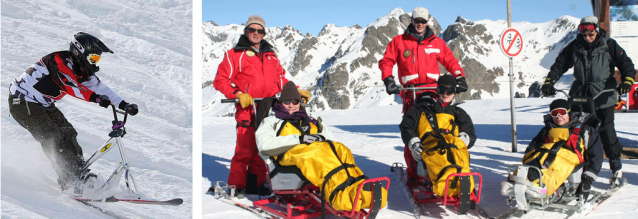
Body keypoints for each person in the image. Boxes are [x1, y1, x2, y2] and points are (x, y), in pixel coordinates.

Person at [8, 32, 139, 193]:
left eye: (97, 59)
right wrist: (95, 98)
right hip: (22, 101)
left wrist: (124, 105)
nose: (94, 62)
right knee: (51, 136)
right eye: (92, 58)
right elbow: (70, 86)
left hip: (42, 103)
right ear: (78, 52)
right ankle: (69, 180)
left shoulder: (82, 69)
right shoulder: (60, 61)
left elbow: (100, 88)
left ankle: (80, 174)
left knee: (68, 133)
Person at [213, 15, 311, 198]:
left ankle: (255, 185)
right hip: (247, 108)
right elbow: (220, 80)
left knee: (263, 147)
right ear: (246, 31)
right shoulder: (235, 55)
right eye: (252, 30)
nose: (256, 33)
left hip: (268, 108)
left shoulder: (270, 55)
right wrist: (237, 94)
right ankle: (237, 186)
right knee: (245, 149)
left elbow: (280, 79)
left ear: (264, 33)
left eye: (259, 31)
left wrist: (295, 91)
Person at [255, 81, 387, 212]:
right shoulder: (272, 121)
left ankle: (359, 187)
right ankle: (341, 197)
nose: (291, 105)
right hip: (287, 155)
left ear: (300, 102)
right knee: (319, 155)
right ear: (280, 102)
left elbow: (331, 140)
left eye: (295, 102)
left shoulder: (310, 119)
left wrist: (321, 138)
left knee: (340, 149)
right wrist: (299, 139)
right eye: (287, 101)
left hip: (313, 151)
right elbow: (264, 145)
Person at [541, 15, 635, 186]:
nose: (587, 37)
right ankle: (574, 167)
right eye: (584, 34)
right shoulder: (575, 46)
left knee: (606, 132)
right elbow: (560, 64)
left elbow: (626, 63)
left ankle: (616, 169)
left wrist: (627, 81)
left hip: (603, 95)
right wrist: (550, 81)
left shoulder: (609, 45)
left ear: (596, 31)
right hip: (580, 95)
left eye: (590, 34)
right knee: (577, 132)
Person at [379, 7, 468, 113]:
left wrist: (459, 77)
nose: (420, 24)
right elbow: (387, 61)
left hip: (434, 93)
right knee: (410, 126)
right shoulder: (399, 41)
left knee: (437, 124)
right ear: (412, 20)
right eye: (417, 21)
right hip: (411, 94)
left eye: (423, 21)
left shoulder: (437, 43)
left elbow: (450, 61)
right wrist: (388, 79)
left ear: (427, 21)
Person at [399, 74, 476, 185]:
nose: (445, 94)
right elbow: (406, 126)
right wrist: (414, 143)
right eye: (442, 90)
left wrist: (464, 139)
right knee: (438, 158)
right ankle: (446, 183)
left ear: (454, 93)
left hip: (454, 147)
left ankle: (462, 183)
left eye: (449, 91)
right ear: (437, 90)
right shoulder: (422, 108)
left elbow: (470, 133)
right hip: (430, 146)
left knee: (460, 156)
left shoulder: (459, 113)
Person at [525, 99, 604, 199]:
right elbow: (532, 147)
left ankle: (540, 187)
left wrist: (587, 181)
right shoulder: (547, 130)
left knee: (556, 164)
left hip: (570, 160)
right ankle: (521, 180)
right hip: (548, 157)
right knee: (536, 158)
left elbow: (596, 155)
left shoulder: (585, 130)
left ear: (569, 112)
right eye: (554, 113)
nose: (558, 116)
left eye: (562, 112)